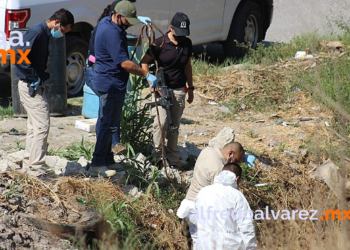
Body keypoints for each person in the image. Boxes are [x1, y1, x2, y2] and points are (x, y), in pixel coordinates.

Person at [88, 1, 157, 177]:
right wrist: (146, 74)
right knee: (107, 125)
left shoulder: (106, 21)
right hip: (110, 85)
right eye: (128, 21)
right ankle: (97, 163)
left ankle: (108, 159)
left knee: (110, 123)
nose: (130, 25)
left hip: (110, 82)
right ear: (118, 16)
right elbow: (125, 63)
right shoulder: (112, 33)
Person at [14, 9, 74, 176]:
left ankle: (29, 164)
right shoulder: (37, 32)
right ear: (56, 23)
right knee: (42, 126)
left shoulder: (44, 33)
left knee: (34, 126)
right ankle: (36, 169)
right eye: (62, 30)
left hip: (33, 83)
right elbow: (18, 55)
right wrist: (33, 77)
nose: (61, 34)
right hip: (29, 85)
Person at [140, 12, 194, 169]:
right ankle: (157, 157)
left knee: (174, 124)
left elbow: (187, 66)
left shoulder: (187, 43)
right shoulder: (159, 44)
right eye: (179, 33)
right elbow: (144, 62)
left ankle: (172, 158)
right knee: (161, 122)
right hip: (161, 89)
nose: (182, 37)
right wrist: (150, 80)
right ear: (171, 28)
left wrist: (190, 88)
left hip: (178, 90)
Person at [176, 142, 255, 247]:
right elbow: (222, 199)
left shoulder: (208, 151)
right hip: (199, 211)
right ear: (230, 154)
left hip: (190, 203)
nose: (235, 165)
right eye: (236, 161)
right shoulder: (218, 171)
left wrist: (242, 156)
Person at [85, 0, 127, 156]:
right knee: (107, 112)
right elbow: (118, 61)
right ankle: (106, 150)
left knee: (107, 111)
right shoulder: (107, 31)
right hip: (97, 73)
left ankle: (106, 151)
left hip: (100, 72)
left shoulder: (105, 24)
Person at [195, 163, 257, 250]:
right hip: (229, 245)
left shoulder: (202, 192)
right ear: (237, 179)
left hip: (204, 244)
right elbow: (246, 225)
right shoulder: (236, 195)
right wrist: (251, 248)